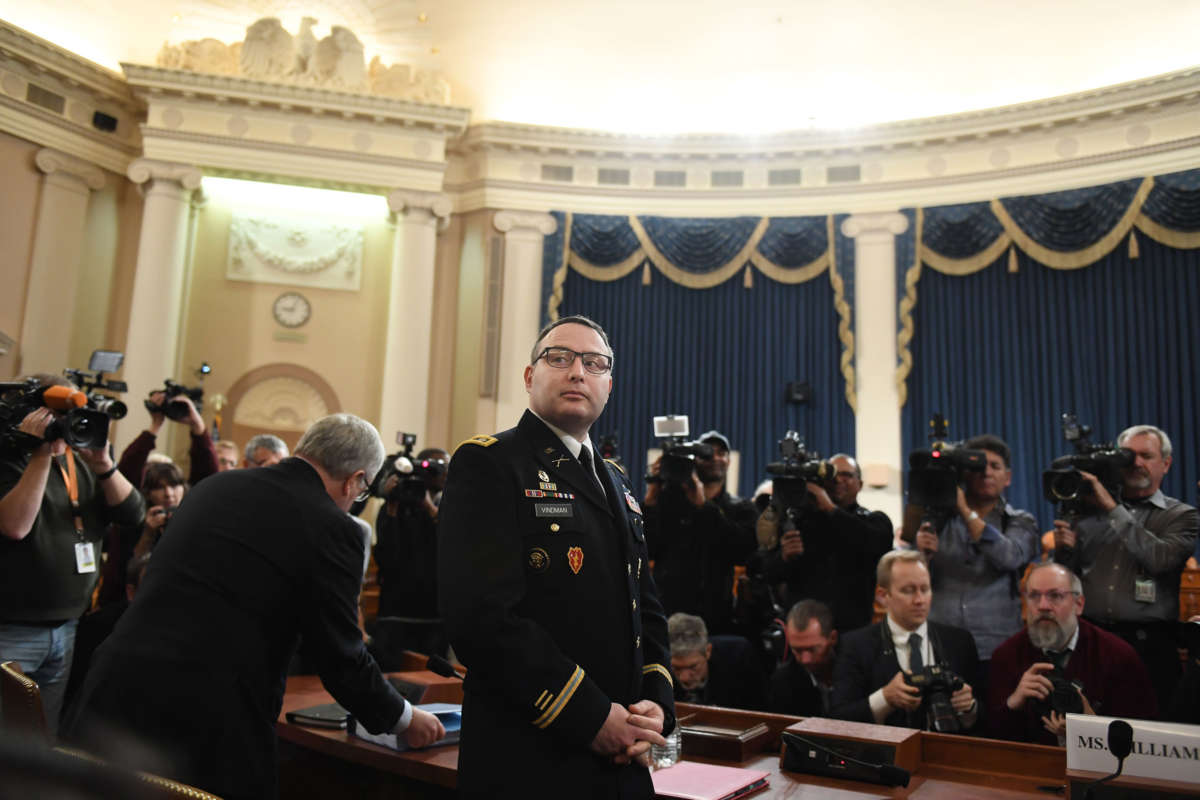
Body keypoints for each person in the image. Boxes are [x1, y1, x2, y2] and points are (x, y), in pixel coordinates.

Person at [62, 414, 444, 800]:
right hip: (202, 724)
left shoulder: (217, 486)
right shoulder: (334, 528)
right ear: (355, 480)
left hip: (113, 691)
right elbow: (341, 656)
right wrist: (405, 718)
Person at [438, 315, 673, 799]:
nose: (577, 372)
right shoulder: (490, 462)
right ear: (529, 377)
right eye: (559, 358)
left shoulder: (618, 481)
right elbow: (482, 619)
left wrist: (656, 702)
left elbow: (643, 605)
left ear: (609, 384)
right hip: (530, 755)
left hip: (623, 754)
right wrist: (589, 717)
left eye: (594, 363)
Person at [0, 375, 145, 735]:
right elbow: (15, 525)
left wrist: (104, 465)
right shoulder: (11, 459)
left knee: (42, 743)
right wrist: (41, 454)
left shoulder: (80, 462)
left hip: (66, 627)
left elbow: (133, 514)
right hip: (13, 629)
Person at [1053, 424, 1198, 709]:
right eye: (1128, 455)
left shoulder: (1181, 515)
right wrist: (1065, 552)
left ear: (1166, 464)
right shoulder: (1087, 512)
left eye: (1146, 455)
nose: (1136, 463)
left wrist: (1111, 508)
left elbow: (1160, 559)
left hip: (1150, 646)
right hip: (1092, 641)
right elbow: (1070, 578)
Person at [909, 435, 1039, 688]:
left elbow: (1009, 557)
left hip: (996, 646)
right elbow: (917, 580)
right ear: (963, 474)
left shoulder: (1020, 520)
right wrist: (922, 555)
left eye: (995, 466)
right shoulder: (937, 520)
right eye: (978, 467)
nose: (986, 473)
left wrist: (965, 512)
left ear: (1008, 477)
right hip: (941, 644)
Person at [988, 562, 1157, 745]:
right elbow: (993, 739)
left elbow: (1143, 739)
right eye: (1034, 596)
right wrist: (1013, 703)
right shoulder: (1006, 656)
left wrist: (1092, 726)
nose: (1043, 606)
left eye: (1055, 596)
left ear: (1079, 604)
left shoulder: (1118, 656)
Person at [831, 550, 980, 732]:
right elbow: (838, 719)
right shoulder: (855, 646)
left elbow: (986, 721)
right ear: (882, 595)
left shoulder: (959, 642)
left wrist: (969, 707)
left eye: (925, 589)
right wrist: (884, 699)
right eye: (908, 591)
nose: (919, 600)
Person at [643, 430, 757, 635]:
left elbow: (743, 550)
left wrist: (703, 506)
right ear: (694, 460)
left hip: (716, 621)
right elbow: (646, 548)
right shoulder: (668, 503)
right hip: (667, 618)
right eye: (707, 453)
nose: (715, 458)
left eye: (721, 453)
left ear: (729, 461)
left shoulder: (741, 509)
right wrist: (651, 496)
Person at [762, 454, 893, 632]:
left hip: (852, 631)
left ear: (860, 484)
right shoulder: (798, 522)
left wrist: (831, 509)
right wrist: (783, 558)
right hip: (803, 632)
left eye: (846, 475)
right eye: (832, 474)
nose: (838, 479)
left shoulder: (874, 521)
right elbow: (767, 573)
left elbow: (876, 545)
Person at [373, 446, 449, 656]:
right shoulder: (396, 506)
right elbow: (386, 556)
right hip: (397, 611)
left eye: (447, 466)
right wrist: (392, 504)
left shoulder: (449, 506)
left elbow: (452, 546)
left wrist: (428, 507)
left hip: (435, 612)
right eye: (437, 467)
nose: (444, 472)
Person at [115, 392, 218, 488]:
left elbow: (207, 473)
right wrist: (155, 425)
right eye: (159, 487)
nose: (169, 494)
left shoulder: (189, 503)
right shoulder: (138, 503)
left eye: (174, 485)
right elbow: (128, 468)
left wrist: (197, 425)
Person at [667, 613, 767, 711]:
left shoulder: (739, 656)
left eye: (693, 667)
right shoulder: (658, 666)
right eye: (676, 668)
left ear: (708, 651)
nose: (684, 677)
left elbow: (760, 707)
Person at [768, 599, 838, 717]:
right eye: (797, 650)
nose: (806, 660)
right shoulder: (782, 682)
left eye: (813, 649)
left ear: (833, 638)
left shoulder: (859, 666)